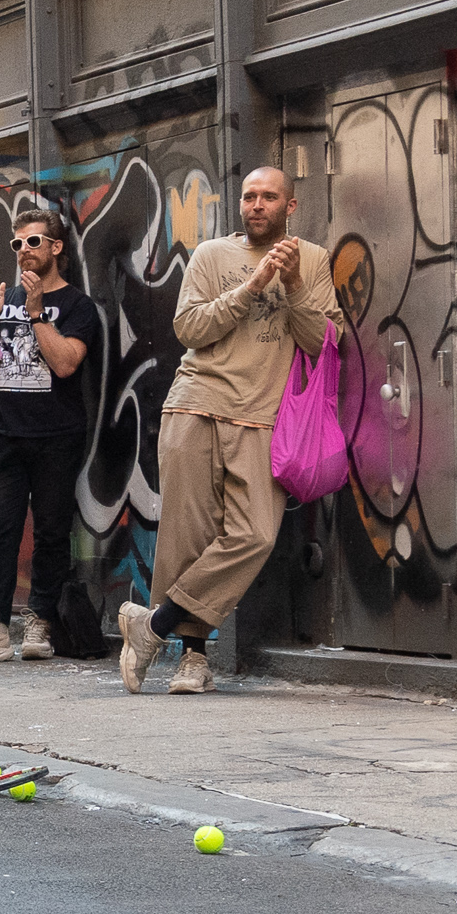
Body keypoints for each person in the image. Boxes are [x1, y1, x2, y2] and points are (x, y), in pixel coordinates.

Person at [125, 164, 338, 697]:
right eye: (249, 197)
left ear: (291, 206)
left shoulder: (311, 261)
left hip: (263, 416)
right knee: (186, 536)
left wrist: (290, 286)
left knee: (254, 534)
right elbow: (189, 328)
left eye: (269, 197)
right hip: (195, 403)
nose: (256, 205)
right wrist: (253, 285)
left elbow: (323, 343)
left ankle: (151, 625)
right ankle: (193, 659)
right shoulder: (211, 255)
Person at [0, 211, 102, 664]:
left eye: (33, 241)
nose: (24, 252)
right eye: (17, 245)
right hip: (2, 434)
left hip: (57, 435)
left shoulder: (78, 306)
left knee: (53, 532)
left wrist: (36, 315)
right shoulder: (4, 298)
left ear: (56, 247)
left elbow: (66, 364)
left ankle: (40, 622)